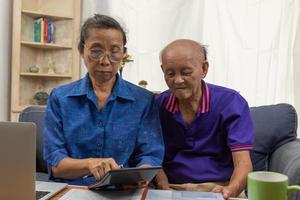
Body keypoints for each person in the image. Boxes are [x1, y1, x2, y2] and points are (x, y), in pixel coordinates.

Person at [44, 14, 164, 186]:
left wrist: (140, 176)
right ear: (81, 51)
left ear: (124, 53)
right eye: (96, 51)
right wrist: (90, 164)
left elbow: (151, 154)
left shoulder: (143, 100)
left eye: (114, 52)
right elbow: (56, 163)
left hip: (123, 190)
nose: (105, 61)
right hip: (73, 189)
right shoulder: (60, 98)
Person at [155, 39, 253, 199]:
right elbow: (151, 156)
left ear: (204, 68)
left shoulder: (231, 102)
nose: (178, 80)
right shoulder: (158, 105)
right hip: (170, 187)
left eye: (186, 72)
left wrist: (230, 191)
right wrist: (162, 185)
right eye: (170, 73)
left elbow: (243, 164)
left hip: (219, 187)